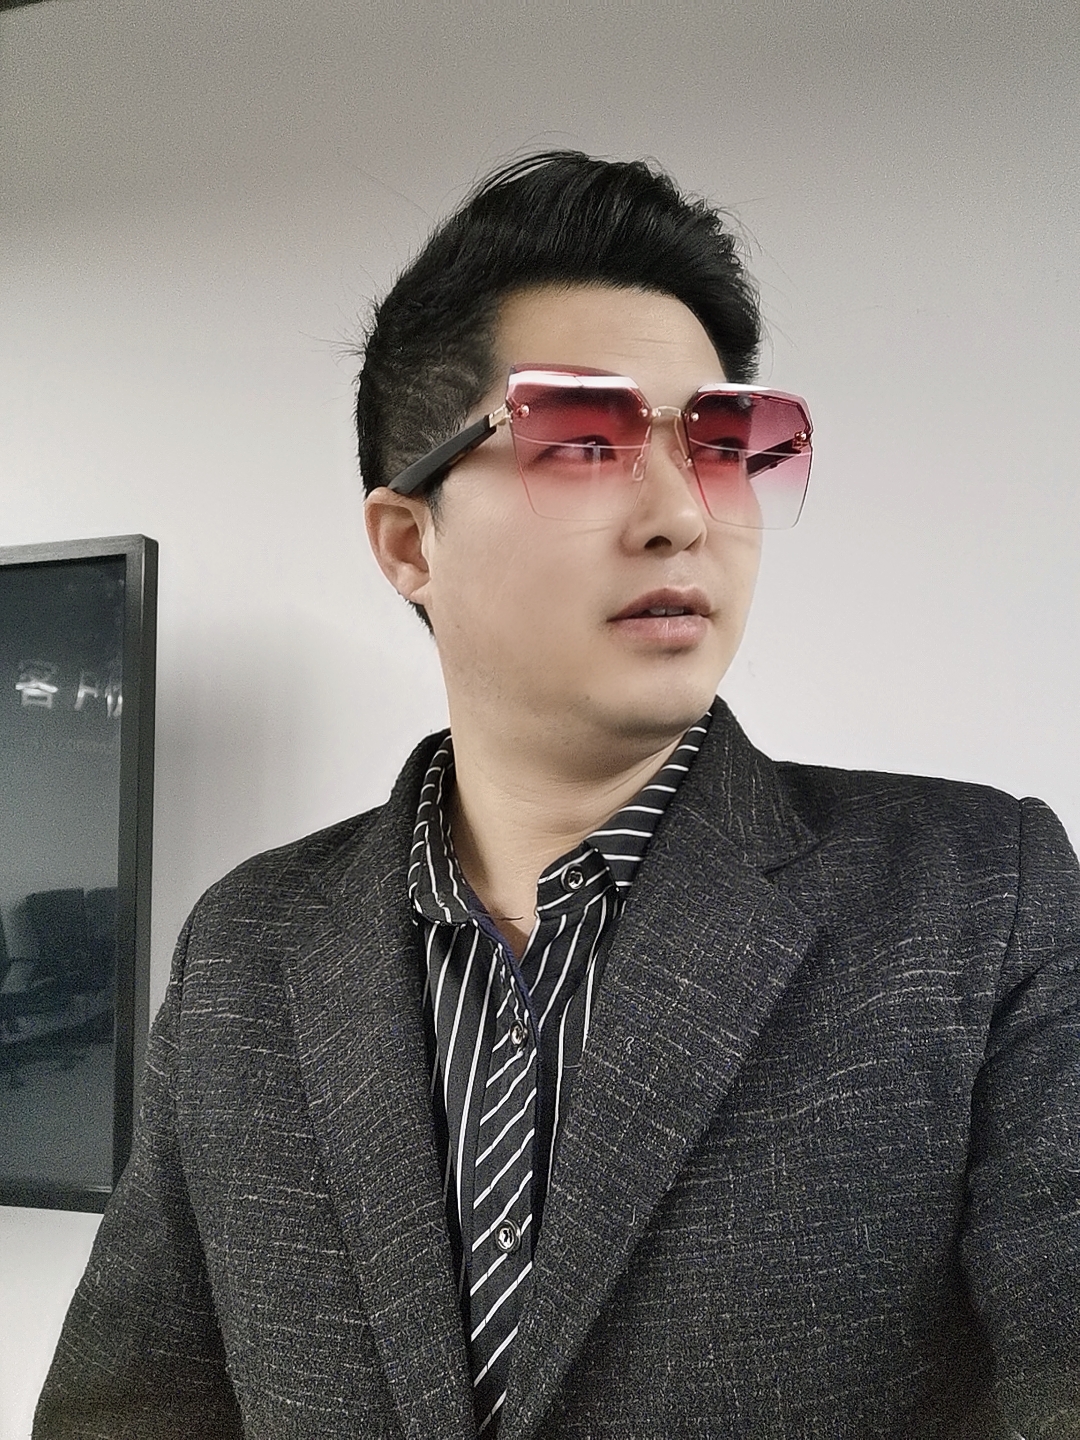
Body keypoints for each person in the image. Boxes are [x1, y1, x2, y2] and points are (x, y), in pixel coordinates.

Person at [35, 152, 1080, 1440]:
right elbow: (128, 1404)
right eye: (585, 443)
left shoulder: (980, 900)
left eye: (724, 444)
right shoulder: (248, 947)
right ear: (410, 542)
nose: (683, 514)